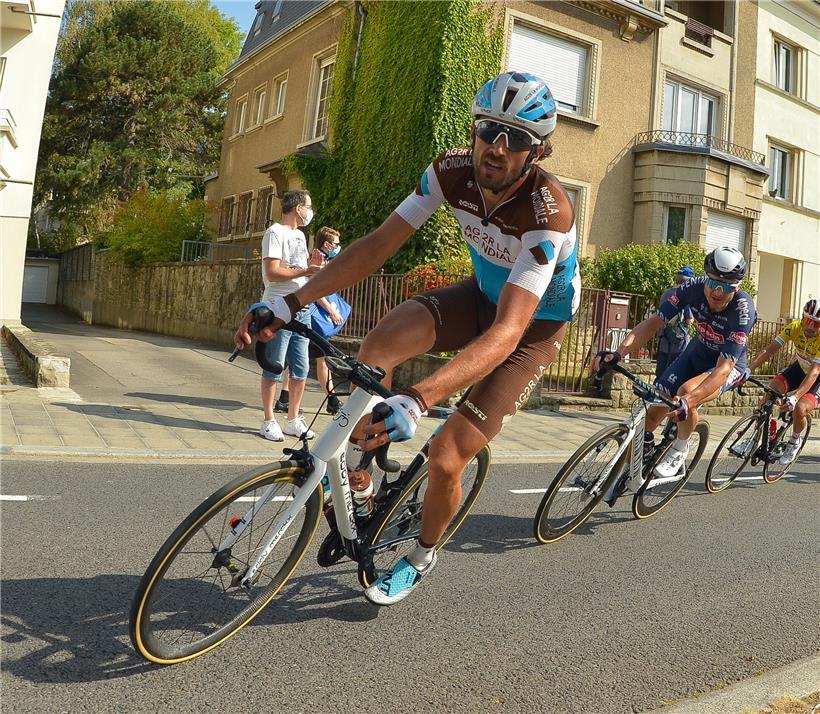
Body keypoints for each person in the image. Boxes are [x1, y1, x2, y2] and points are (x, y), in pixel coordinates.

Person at [235, 71, 579, 605]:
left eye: (517, 140)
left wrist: (419, 399)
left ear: (538, 153)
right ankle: (361, 476)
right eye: (489, 129)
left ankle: (421, 555)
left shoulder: (548, 210)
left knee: (445, 456)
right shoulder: (450, 170)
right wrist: (290, 301)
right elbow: (378, 245)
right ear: (475, 129)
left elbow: (509, 331)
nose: (497, 147)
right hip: (482, 296)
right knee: (376, 347)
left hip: (532, 327)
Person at [593, 246, 756, 480]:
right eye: (713, 283)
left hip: (727, 364)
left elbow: (723, 369)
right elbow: (653, 323)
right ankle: (628, 476)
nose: (717, 292)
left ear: (737, 287)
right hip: (696, 351)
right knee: (653, 410)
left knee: (686, 393)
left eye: (727, 286)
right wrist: (619, 353)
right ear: (705, 279)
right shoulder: (692, 288)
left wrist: (689, 401)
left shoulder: (743, 310)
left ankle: (681, 447)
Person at [257, 189, 321, 442]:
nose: (310, 211)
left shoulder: (299, 235)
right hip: (278, 307)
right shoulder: (275, 233)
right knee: (274, 365)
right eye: (309, 206)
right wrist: (305, 270)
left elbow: (299, 270)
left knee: (301, 368)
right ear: (298, 208)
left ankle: (293, 419)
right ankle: (269, 420)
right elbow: (273, 272)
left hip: (301, 308)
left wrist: (312, 271)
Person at [275, 227, 346, 415]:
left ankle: (285, 398)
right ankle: (331, 400)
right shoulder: (318, 261)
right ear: (327, 244)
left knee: (300, 357)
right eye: (337, 244)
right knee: (315, 358)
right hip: (314, 319)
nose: (339, 247)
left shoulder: (320, 259)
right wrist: (331, 310)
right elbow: (313, 289)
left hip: (309, 317)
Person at [746, 298, 820, 464]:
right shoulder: (794, 328)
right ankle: (756, 435)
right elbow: (769, 350)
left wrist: (795, 397)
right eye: (808, 321)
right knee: (770, 391)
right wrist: (748, 369)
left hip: (817, 378)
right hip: (800, 369)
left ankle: (794, 441)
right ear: (802, 318)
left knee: (800, 408)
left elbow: (814, 373)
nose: (810, 327)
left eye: (816, 324)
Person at [655, 266, 695, 379]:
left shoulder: (665, 294)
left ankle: (654, 394)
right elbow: (689, 319)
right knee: (675, 375)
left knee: (660, 373)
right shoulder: (685, 295)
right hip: (679, 343)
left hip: (664, 339)